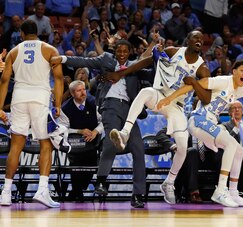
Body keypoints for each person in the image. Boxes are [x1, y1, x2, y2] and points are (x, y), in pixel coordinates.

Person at [106, 30, 211, 204]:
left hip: (177, 107)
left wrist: (194, 83)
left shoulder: (202, 68)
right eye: (195, 37)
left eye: (202, 38)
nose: (199, 40)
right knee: (145, 92)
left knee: (183, 147)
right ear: (188, 40)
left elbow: (206, 99)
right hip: (160, 95)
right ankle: (125, 132)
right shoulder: (172, 51)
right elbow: (146, 61)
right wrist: (121, 73)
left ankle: (169, 182)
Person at [157, 60, 243, 207]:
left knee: (238, 150)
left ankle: (234, 193)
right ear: (234, 71)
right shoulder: (222, 81)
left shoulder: (240, 89)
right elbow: (195, 84)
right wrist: (170, 98)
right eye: (242, 70)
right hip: (198, 120)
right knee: (230, 144)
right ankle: (221, 190)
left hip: (210, 123)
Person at [51, 39, 147, 208]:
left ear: (130, 52)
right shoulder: (106, 60)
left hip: (130, 110)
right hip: (110, 105)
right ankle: (101, 181)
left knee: (139, 148)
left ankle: (138, 194)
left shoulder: (134, 65)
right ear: (115, 51)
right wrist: (63, 59)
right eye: (119, 51)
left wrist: (157, 49)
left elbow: (150, 64)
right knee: (110, 140)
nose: (122, 54)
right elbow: (84, 61)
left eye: (125, 51)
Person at [0, 20, 64, 208]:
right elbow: (59, 78)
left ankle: (5, 193)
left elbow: (4, 80)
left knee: (16, 146)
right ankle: (42, 190)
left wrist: (0, 107)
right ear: (38, 32)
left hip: (19, 98)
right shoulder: (50, 49)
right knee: (46, 143)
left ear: (21, 33)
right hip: (40, 98)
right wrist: (58, 104)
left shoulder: (14, 51)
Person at [58, 80, 104, 201]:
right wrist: (79, 131)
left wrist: (95, 132)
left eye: (84, 89)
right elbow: (63, 129)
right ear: (72, 93)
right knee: (76, 165)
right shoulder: (65, 108)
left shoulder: (94, 103)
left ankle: (76, 191)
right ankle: (77, 192)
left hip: (92, 140)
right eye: (79, 91)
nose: (83, 93)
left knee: (92, 164)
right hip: (75, 142)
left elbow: (103, 121)